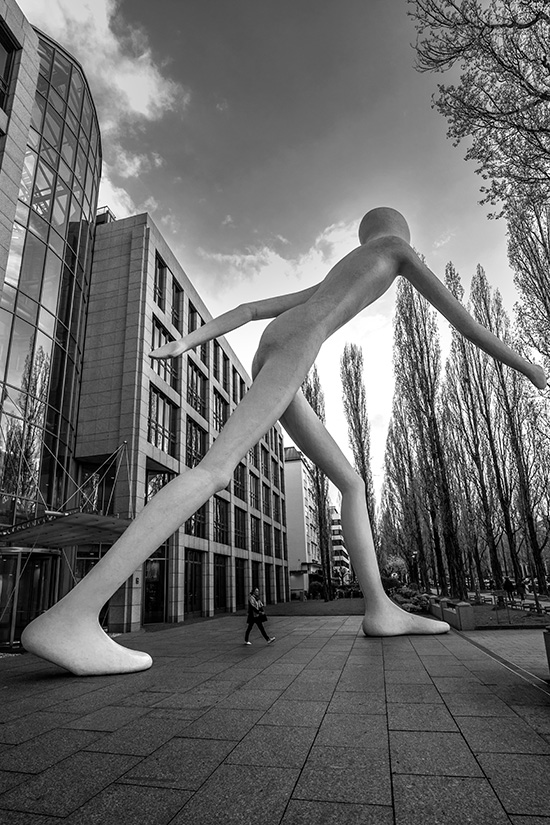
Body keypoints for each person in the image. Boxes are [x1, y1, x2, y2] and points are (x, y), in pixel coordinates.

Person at [20, 207, 547, 676]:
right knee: (214, 470)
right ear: (396, 230)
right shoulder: (395, 249)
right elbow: (467, 324)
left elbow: (251, 309)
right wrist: (527, 367)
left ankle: (380, 609)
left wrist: (188, 341)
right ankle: (73, 615)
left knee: (351, 482)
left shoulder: (340, 271)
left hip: (275, 344)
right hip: (297, 344)